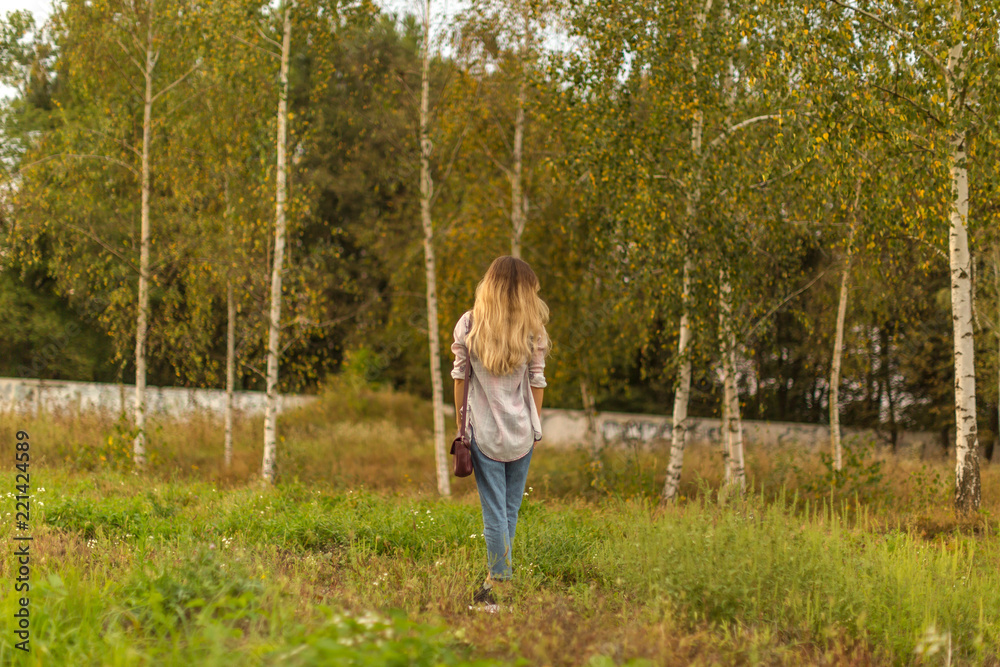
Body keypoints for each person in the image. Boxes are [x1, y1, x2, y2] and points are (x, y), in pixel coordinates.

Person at [450, 255, 549, 609]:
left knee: (494, 511)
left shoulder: (470, 324)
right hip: (522, 433)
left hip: (485, 433)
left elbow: (460, 377)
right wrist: (533, 426)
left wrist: (461, 424)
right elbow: (537, 382)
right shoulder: (533, 329)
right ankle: (497, 578)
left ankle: (498, 585)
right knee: (509, 510)